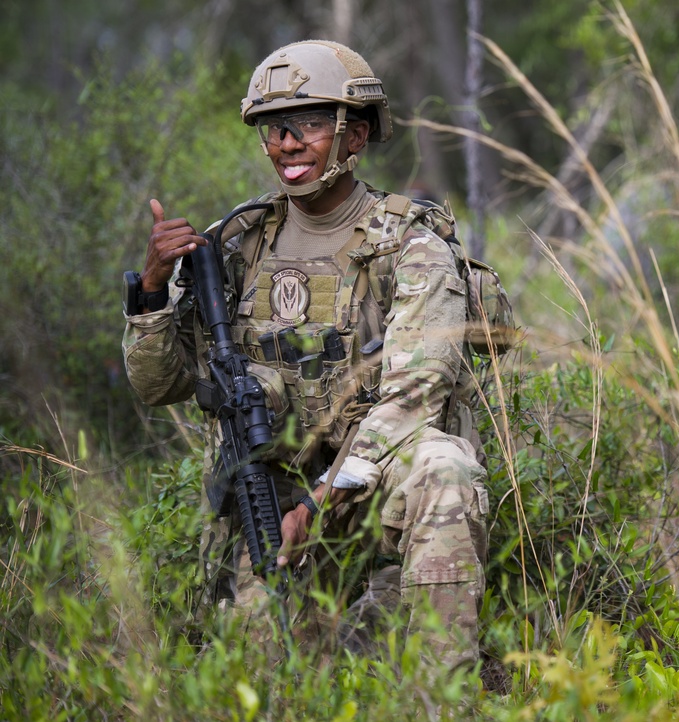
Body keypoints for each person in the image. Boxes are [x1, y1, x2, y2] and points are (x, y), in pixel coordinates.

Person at [121, 40, 490, 677]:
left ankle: (445, 692)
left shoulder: (411, 246)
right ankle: (360, 628)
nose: (289, 142)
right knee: (263, 678)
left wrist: (318, 505)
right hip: (278, 506)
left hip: (374, 503)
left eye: (312, 122)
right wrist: (153, 290)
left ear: (357, 135)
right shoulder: (235, 247)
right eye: (274, 127)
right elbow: (159, 385)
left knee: (444, 464)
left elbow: (412, 399)